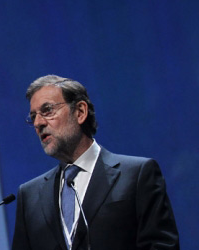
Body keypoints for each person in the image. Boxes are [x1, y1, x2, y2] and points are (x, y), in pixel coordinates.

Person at [11, 75, 179, 250]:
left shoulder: (137, 175)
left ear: (80, 112)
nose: (38, 123)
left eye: (48, 110)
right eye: (33, 116)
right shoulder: (30, 195)